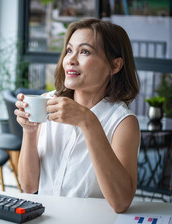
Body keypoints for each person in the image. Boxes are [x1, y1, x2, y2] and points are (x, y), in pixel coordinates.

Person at [14, 18, 140, 213]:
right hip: (46, 221)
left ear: (115, 66)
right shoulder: (47, 103)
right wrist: (29, 132)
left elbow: (121, 202)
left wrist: (87, 121)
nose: (71, 60)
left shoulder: (123, 122)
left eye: (85, 51)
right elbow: (29, 187)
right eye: (69, 50)